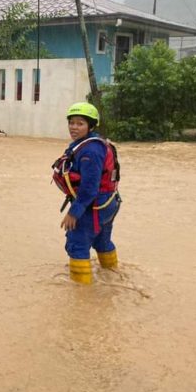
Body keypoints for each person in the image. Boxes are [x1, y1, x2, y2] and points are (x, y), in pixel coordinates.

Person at [52, 102, 121, 284]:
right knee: (102, 242)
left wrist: (74, 213)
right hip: (108, 203)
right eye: (71, 122)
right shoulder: (93, 143)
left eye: (80, 123)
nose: (74, 127)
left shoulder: (89, 151)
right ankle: (113, 276)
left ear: (90, 126)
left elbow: (89, 188)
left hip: (94, 206)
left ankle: (82, 295)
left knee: (77, 245)